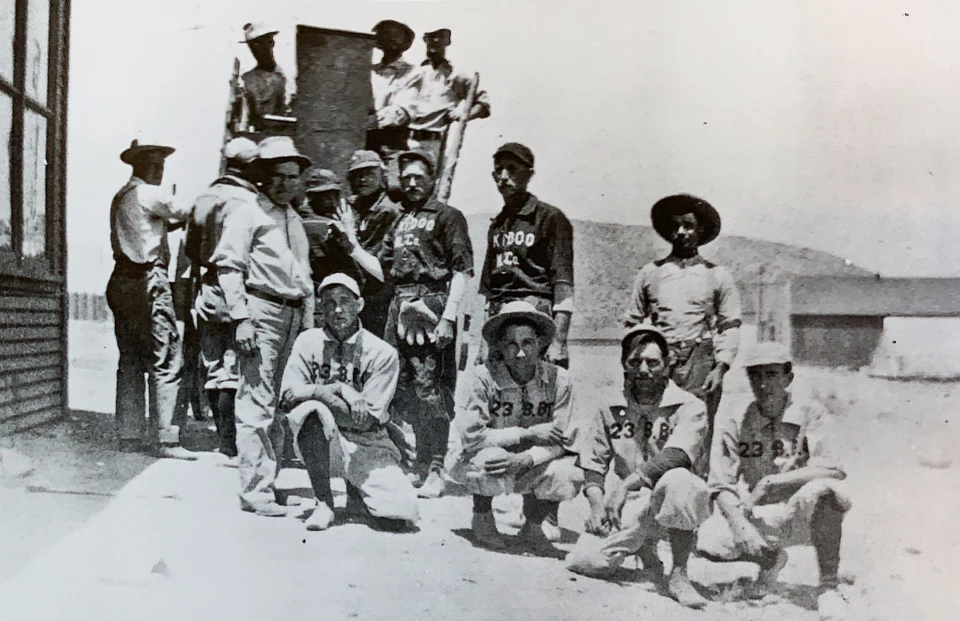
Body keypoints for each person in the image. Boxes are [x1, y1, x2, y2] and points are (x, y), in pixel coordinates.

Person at [338, 150, 473, 499]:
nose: (412, 183)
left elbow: (461, 271)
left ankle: (437, 467)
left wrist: (448, 317)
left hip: (431, 303)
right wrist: (351, 245)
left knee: (431, 388)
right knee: (402, 388)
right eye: (407, 177)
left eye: (419, 177)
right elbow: (383, 270)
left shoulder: (447, 216)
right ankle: (419, 462)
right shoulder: (400, 220)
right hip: (399, 304)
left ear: (432, 179)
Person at [696, 342, 851, 619]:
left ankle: (828, 587)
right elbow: (720, 484)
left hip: (804, 512)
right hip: (762, 517)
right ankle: (769, 560)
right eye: (755, 375)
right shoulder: (736, 419)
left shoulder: (810, 412)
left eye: (771, 374)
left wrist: (770, 482)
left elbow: (834, 469)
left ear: (788, 378)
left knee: (826, 490)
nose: (763, 383)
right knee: (708, 538)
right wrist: (740, 526)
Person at [565, 324, 711, 609]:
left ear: (667, 365)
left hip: (671, 502)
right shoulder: (609, 405)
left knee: (680, 479)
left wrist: (625, 485)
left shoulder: (689, 405)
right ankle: (643, 546)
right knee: (584, 561)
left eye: (652, 362)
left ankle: (679, 573)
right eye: (635, 362)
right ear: (624, 365)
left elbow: (678, 454)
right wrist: (596, 506)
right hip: (629, 505)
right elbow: (593, 464)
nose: (644, 370)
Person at [209, 136, 315, 516]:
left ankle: (270, 482)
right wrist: (242, 320)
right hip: (262, 312)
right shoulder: (247, 214)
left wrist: (308, 324)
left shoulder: (293, 218)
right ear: (263, 177)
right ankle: (255, 493)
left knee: (281, 402)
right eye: (278, 176)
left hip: (293, 315)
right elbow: (228, 267)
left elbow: (303, 276)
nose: (285, 184)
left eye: (292, 176)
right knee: (255, 402)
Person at [279, 273, 419, 532]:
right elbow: (287, 398)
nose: (337, 309)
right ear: (321, 308)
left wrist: (310, 391)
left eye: (345, 301)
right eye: (329, 303)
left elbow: (364, 421)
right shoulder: (307, 341)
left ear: (360, 305)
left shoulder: (382, 352)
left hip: (368, 441)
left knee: (401, 513)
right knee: (312, 410)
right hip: (322, 440)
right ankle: (324, 503)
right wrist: (331, 391)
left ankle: (357, 494)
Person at [448, 302, 582, 551]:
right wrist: (526, 434)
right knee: (492, 458)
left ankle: (533, 526)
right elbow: (472, 437)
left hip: (529, 460)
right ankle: (482, 517)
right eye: (511, 344)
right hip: (476, 456)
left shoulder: (559, 379)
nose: (520, 353)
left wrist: (525, 459)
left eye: (527, 343)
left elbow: (565, 440)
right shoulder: (482, 377)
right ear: (500, 346)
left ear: (540, 343)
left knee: (568, 472)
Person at [623, 194, 741, 470]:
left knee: (698, 428)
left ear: (700, 230)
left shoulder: (717, 275)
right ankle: (649, 483)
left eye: (688, 226)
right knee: (655, 423)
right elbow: (633, 321)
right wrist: (636, 361)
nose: (681, 232)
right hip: (659, 361)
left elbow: (730, 325)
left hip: (699, 362)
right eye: (676, 226)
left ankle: (695, 485)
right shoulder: (650, 273)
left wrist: (720, 368)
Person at [106, 138, 195, 460]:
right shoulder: (148, 193)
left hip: (122, 280)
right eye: (154, 164)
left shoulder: (123, 196)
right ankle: (166, 439)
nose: (159, 170)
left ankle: (129, 435)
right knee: (165, 357)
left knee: (130, 359)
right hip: (148, 279)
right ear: (139, 165)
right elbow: (187, 211)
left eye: (161, 165)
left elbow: (150, 226)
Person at [185, 137, 261, 463]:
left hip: (209, 290)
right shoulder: (252, 201)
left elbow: (191, 249)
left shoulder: (204, 197)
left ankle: (223, 442)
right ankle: (234, 443)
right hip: (242, 290)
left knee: (215, 368)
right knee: (237, 370)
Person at [479, 142, 574, 368]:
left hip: (535, 317)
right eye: (499, 170)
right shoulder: (497, 225)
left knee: (539, 384)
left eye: (512, 169)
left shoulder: (550, 218)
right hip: (499, 318)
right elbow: (489, 292)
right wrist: (484, 344)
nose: (504, 177)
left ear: (529, 174)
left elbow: (563, 286)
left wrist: (559, 341)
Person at [400, 28, 491, 176]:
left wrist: (463, 115)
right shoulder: (414, 72)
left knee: (427, 182)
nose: (435, 40)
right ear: (425, 40)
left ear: (448, 41)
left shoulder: (457, 75)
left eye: (440, 37)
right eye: (431, 36)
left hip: (433, 142)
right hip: (404, 140)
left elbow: (483, 104)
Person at [344, 150, 402, 338]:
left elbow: (376, 261)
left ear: (382, 175)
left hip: (378, 296)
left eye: (369, 173)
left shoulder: (385, 210)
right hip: (360, 292)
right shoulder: (356, 205)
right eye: (357, 175)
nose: (363, 180)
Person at [297, 167, 364, 292]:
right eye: (327, 198)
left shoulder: (301, 218)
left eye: (336, 197)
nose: (333, 203)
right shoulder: (324, 226)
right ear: (312, 197)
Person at [239, 22, 288, 133]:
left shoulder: (288, 76)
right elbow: (244, 119)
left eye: (261, 42)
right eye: (253, 45)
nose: (256, 49)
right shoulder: (247, 80)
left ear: (271, 42)